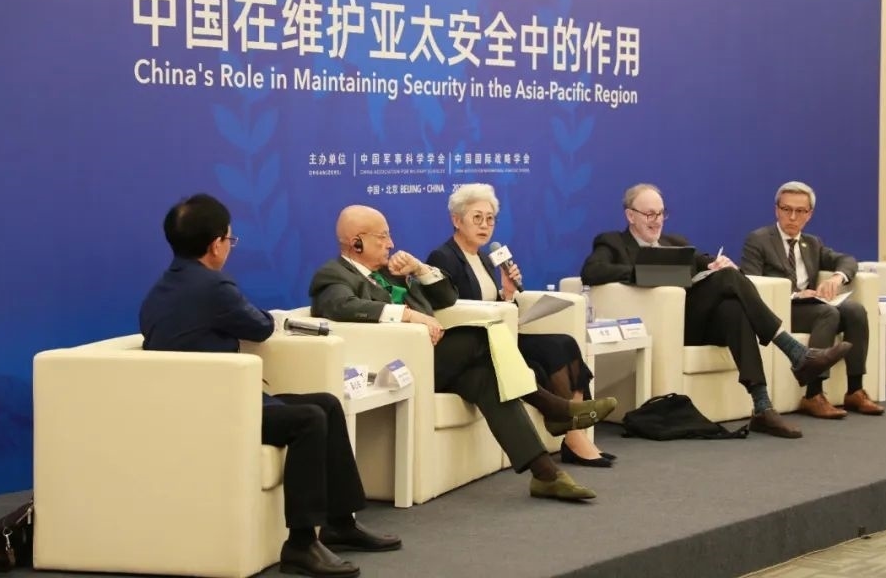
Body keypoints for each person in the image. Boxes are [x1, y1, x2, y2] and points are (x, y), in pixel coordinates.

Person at [140, 194, 401, 578]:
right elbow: (260, 326)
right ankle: (300, 543)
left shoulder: (160, 289)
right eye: (230, 240)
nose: (229, 247)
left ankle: (339, 523)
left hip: (198, 398)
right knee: (309, 418)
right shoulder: (214, 287)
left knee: (327, 403)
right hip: (218, 407)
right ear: (216, 245)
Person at [309, 205, 617, 500]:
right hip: (399, 365)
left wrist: (420, 269)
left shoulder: (392, 272)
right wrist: (407, 315)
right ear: (357, 242)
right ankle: (555, 409)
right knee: (481, 335)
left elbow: (447, 297)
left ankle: (546, 475)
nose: (391, 243)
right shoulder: (334, 274)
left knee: (486, 380)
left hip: (434, 358)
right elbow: (339, 306)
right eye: (382, 237)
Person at [579, 183, 852, 439]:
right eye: (649, 214)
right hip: (664, 327)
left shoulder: (675, 242)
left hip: (698, 322)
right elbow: (592, 271)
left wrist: (715, 264)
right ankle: (794, 351)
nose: (657, 220)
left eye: (661, 214)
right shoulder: (612, 242)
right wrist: (645, 272)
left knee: (733, 307)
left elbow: (703, 260)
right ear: (630, 215)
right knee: (729, 280)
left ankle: (762, 407)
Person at [426, 183, 614, 467]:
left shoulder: (486, 259)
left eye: (490, 219)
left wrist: (508, 292)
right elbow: (452, 306)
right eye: (477, 218)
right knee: (552, 350)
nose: (485, 225)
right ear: (457, 220)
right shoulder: (444, 257)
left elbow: (494, 303)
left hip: (500, 332)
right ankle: (571, 430)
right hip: (478, 343)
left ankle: (576, 433)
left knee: (565, 343)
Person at [741, 181, 883, 418]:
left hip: (811, 308)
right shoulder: (759, 239)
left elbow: (847, 260)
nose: (792, 217)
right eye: (786, 209)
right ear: (776, 210)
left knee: (855, 310)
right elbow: (751, 283)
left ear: (809, 214)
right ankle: (813, 394)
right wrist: (795, 294)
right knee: (828, 313)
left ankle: (855, 390)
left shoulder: (812, 243)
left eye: (800, 211)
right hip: (778, 310)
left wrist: (837, 278)